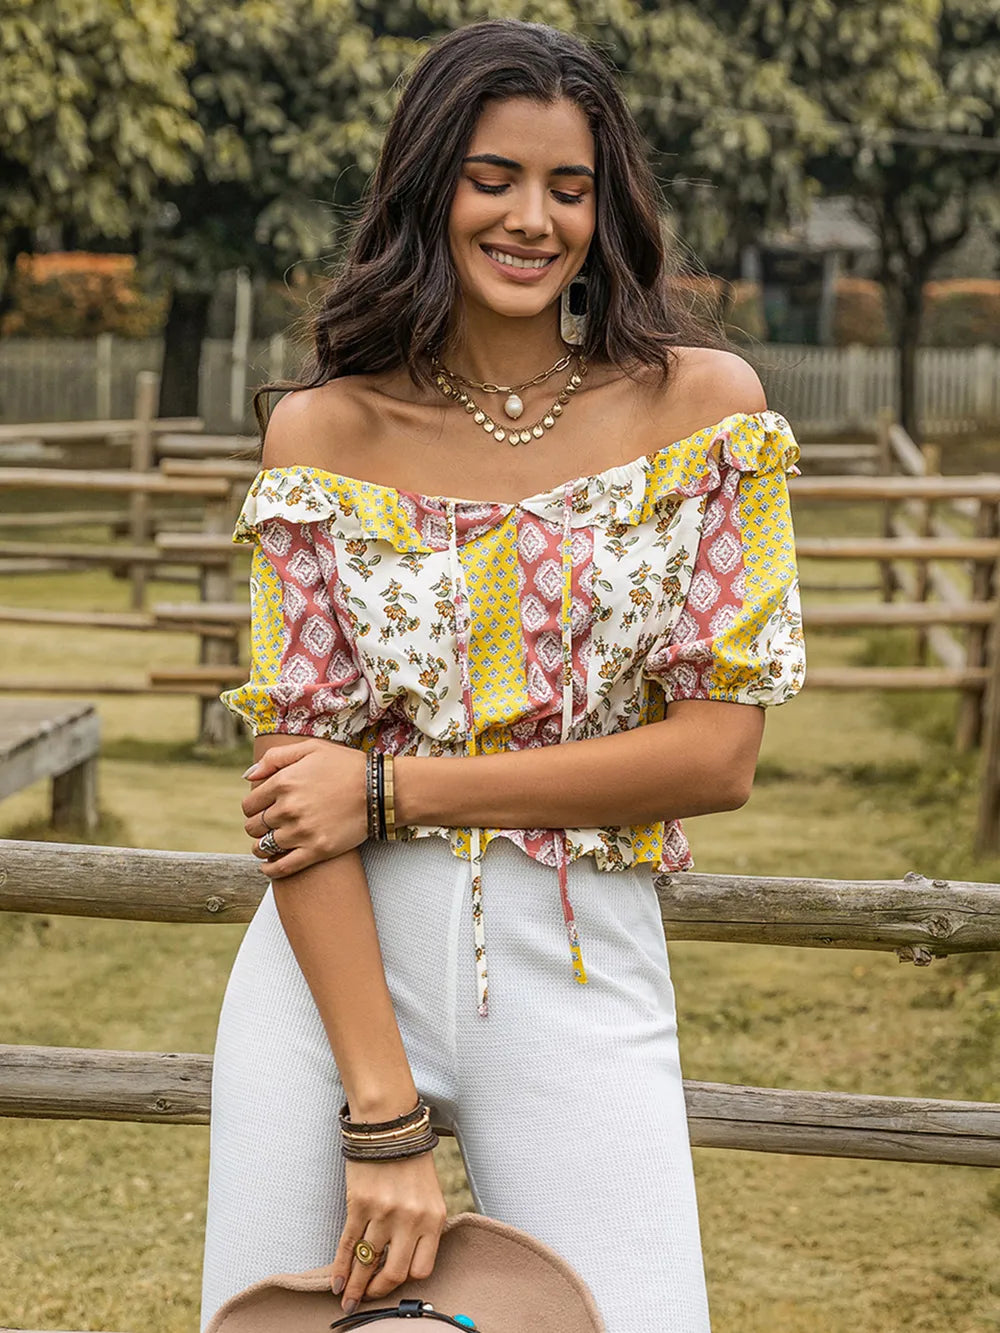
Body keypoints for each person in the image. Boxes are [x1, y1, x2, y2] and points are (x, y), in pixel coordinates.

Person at [199, 17, 805, 1333]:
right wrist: (383, 1112)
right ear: (429, 187)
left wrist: (392, 790)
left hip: (580, 955)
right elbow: (298, 801)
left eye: (569, 186)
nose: (534, 217)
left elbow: (718, 754)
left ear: (605, 207)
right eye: (494, 178)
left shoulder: (707, 412)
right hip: (330, 988)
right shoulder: (320, 433)